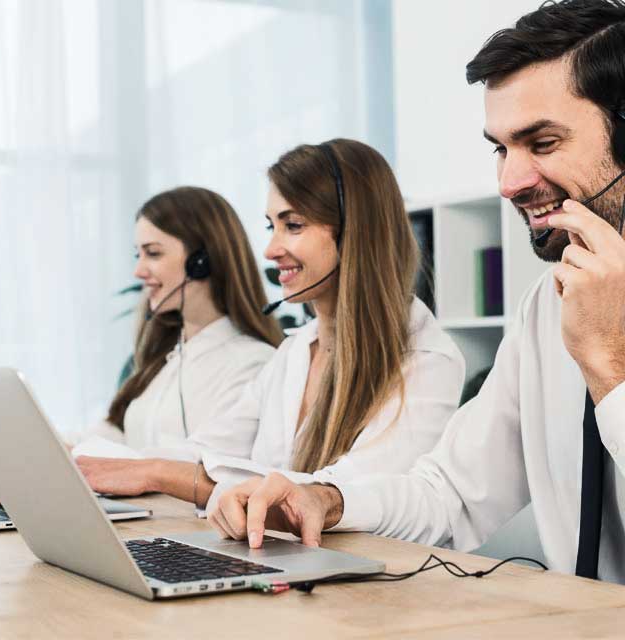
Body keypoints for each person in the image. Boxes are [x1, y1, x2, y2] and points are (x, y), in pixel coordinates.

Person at [207, 0, 625, 584]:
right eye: (501, 149)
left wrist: (609, 366)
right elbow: (451, 492)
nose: (508, 182)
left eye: (544, 143)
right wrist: (328, 500)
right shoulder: (544, 308)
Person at [76, 139, 465, 512]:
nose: (270, 249)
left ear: (355, 233)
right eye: (271, 227)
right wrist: (114, 466)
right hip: (284, 560)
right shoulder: (294, 353)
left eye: (293, 225)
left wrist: (158, 474)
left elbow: (343, 494)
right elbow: (208, 452)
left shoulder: (427, 360)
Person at [71, 186, 283, 459]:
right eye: (139, 255)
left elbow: (201, 462)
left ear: (202, 262)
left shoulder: (254, 363)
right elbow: (114, 434)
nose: (139, 271)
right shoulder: (167, 357)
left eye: (153, 253)